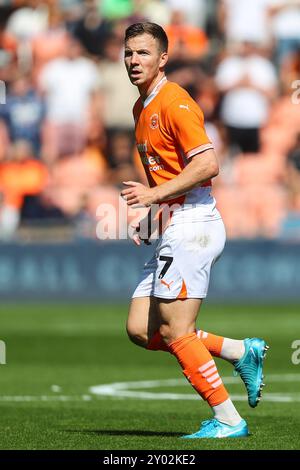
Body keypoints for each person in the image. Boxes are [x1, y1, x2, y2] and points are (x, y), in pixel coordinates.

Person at [121, 22, 269, 439]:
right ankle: (241, 350)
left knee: (176, 331)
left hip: (194, 226)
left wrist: (153, 199)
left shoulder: (175, 103)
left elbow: (207, 166)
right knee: (141, 330)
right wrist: (154, 214)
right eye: (130, 53)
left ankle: (228, 420)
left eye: (144, 53)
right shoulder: (141, 107)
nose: (134, 61)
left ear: (163, 58)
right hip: (173, 223)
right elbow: (170, 173)